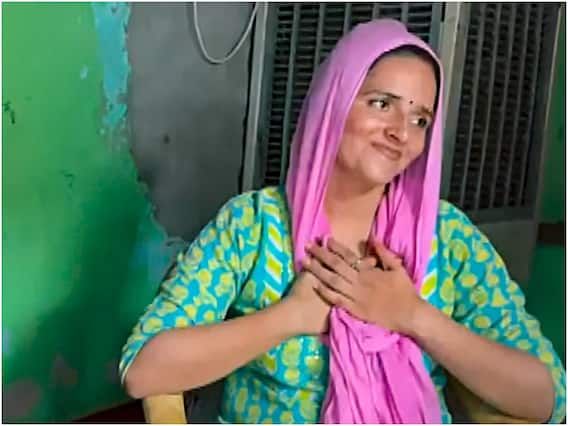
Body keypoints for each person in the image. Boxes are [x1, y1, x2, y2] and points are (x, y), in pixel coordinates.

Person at [119, 19, 565, 424]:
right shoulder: (254, 226)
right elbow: (144, 369)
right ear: (334, 101)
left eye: (420, 119)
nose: (401, 132)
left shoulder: (445, 237)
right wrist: (290, 317)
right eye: (382, 103)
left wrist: (413, 316)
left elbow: (547, 396)